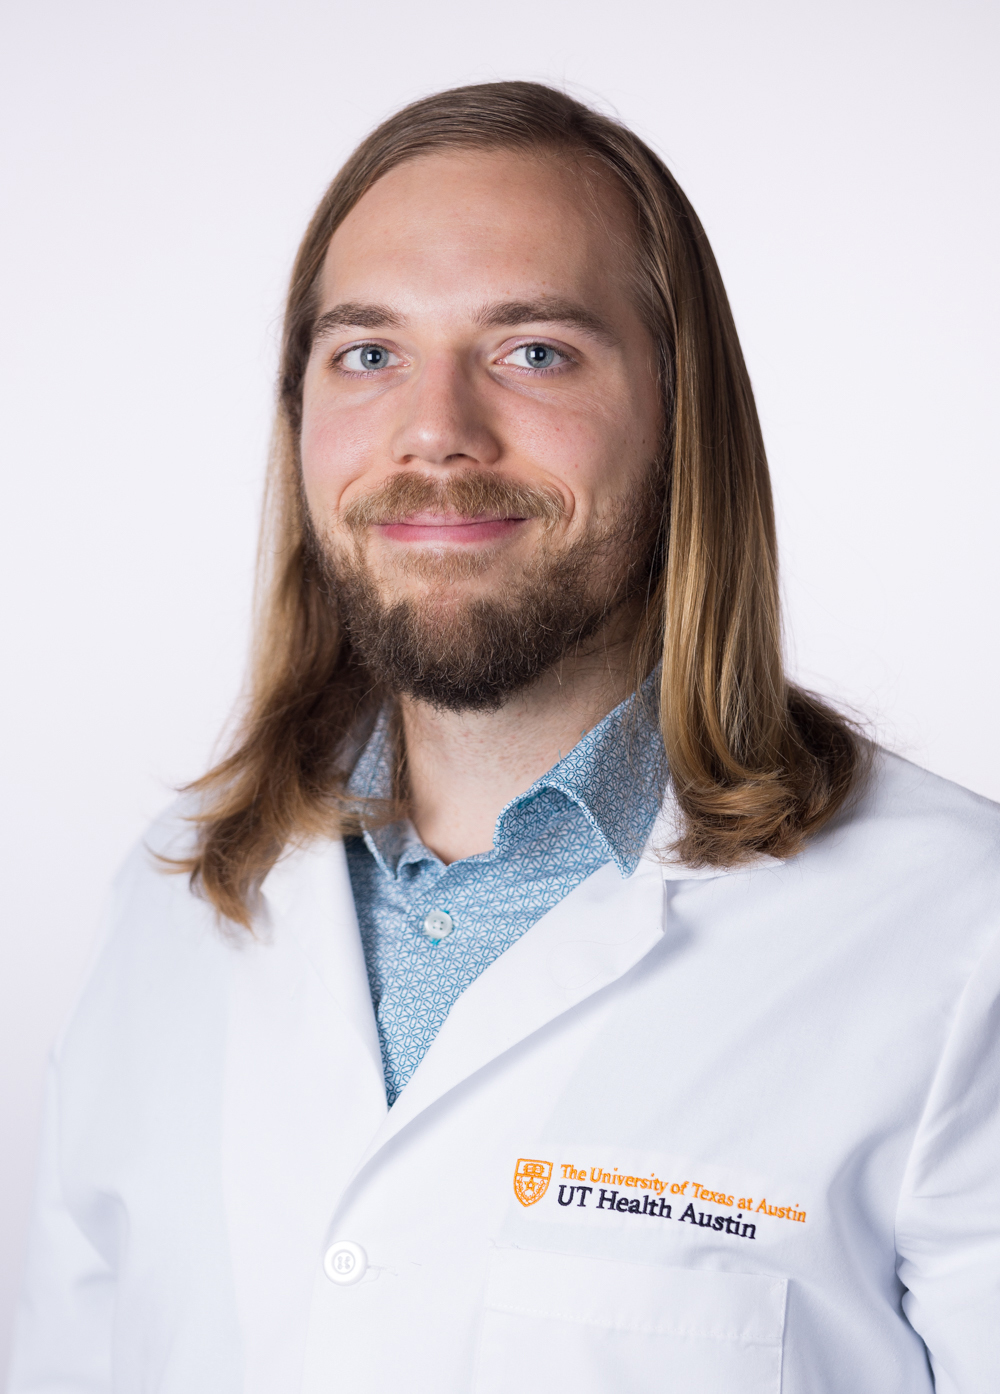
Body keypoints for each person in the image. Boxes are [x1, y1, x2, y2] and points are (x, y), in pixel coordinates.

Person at [8, 81, 999, 1394]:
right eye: (367, 353)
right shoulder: (174, 899)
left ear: (680, 414)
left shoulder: (956, 934)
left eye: (533, 350)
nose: (436, 433)